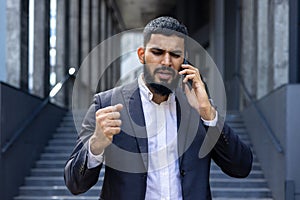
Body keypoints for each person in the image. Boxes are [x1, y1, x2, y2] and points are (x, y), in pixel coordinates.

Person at [64, 16, 253, 200]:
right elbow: (75, 184)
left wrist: (208, 114)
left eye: (175, 55)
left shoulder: (198, 108)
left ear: (184, 61)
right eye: (157, 52)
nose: (166, 62)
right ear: (141, 55)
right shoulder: (107, 104)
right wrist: (96, 145)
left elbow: (241, 167)